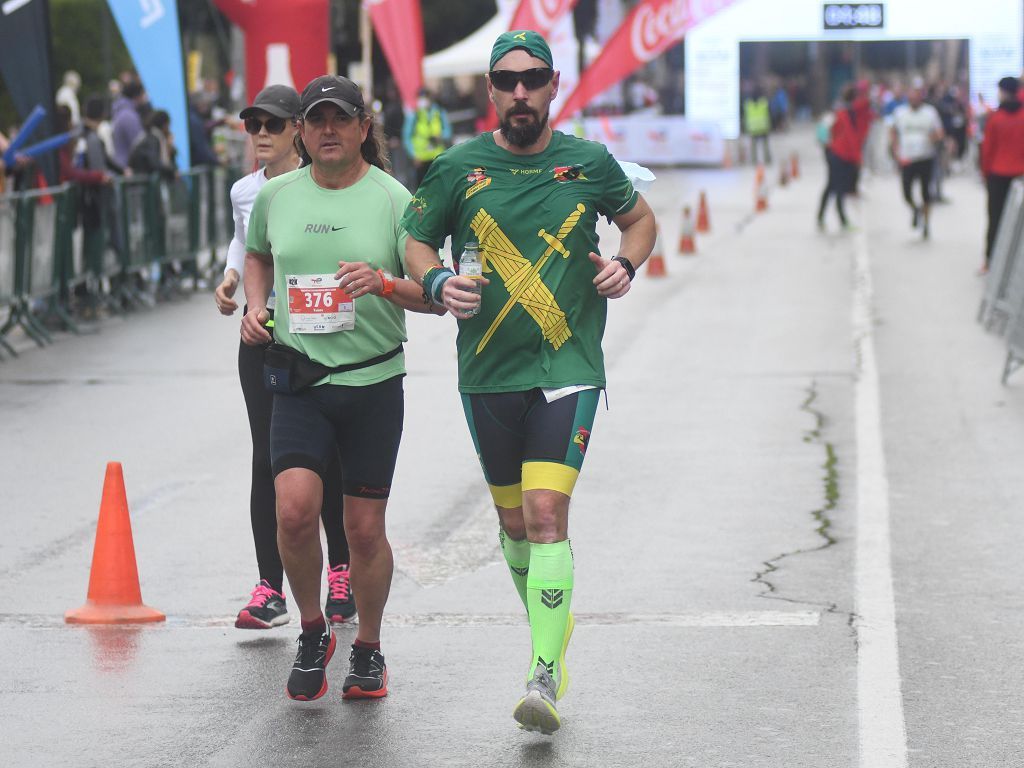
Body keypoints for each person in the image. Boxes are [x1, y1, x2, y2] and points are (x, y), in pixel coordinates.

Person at [402, 30, 657, 735]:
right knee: (514, 527)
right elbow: (415, 238)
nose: (521, 92)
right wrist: (435, 279)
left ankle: (542, 672)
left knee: (547, 515)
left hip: (566, 365)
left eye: (533, 79)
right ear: (491, 91)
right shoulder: (456, 169)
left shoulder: (589, 163)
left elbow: (639, 221)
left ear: (552, 86)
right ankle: (553, 634)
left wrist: (625, 266)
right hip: (487, 373)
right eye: (507, 81)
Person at [240, 74, 443, 702]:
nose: (327, 130)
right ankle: (310, 629)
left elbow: (430, 296)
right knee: (294, 514)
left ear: (362, 128)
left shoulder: (392, 198)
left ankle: (370, 648)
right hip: (298, 379)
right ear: (301, 131)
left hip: (372, 383)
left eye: (340, 119)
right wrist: (254, 306)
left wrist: (382, 283)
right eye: (315, 120)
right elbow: (256, 257)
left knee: (362, 531)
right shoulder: (278, 197)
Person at [214, 84, 355, 629]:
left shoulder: (317, 184)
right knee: (267, 460)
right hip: (264, 335)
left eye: (273, 125)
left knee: (329, 457)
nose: (262, 136)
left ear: (297, 129)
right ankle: (269, 586)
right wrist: (234, 285)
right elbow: (243, 245)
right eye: (254, 126)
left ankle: (340, 569)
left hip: (322, 335)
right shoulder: (247, 191)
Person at [980, 76, 1024, 274]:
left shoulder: (995, 118)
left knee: (995, 218)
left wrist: (985, 173)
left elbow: (987, 150)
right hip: (1020, 175)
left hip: (998, 175)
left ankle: (990, 261)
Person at [890, 80, 944, 240]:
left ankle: (926, 224)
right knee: (906, 193)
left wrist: (932, 138)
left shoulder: (930, 112)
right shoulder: (900, 113)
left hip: (925, 157)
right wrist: (895, 150)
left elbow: (939, 132)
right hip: (907, 158)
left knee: (926, 193)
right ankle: (915, 209)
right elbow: (893, 131)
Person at [817, 87, 860, 231]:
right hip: (836, 155)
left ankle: (823, 217)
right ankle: (840, 219)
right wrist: (829, 147)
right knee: (835, 186)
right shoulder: (840, 112)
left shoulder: (849, 113)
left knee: (833, 186)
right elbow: (823, 132)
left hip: (843, 155)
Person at [403, 87, 451, 187]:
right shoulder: (414, 114)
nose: (423, 100)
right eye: (420, 98)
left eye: (425, 97)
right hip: (421, 159)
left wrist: (441, 136)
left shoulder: (439, 112)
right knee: (422, 188)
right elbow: (406, 136)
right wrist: (413, 155)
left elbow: (448, 131)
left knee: (439, 187)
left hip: (437, 157)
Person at [111, 80, 147, 169]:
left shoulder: (121, 112)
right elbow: (138, 143)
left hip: (121, 163)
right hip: (128, 166)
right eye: (143, 94)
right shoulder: (129, 116)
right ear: (137, 96)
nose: (145, 98)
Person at [743, 85, 772, 165]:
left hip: (753, 129)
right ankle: (767, 160)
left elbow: (745, 117)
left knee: (753, 147)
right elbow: (769, 114)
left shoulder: (748, 104)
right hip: (763, 128)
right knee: (766, 146)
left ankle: (754, 161)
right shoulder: (764, 102)